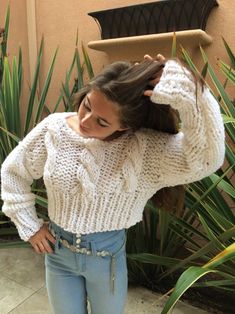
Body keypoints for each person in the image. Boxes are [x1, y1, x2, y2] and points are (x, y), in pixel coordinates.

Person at [1, 54, 225, 314]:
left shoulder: (146, 149)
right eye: (87, 105)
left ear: (125, 126)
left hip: (106, 259)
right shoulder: (54, 129)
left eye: (102, 121)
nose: (85, 120)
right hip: (58, 254)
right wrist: (30, 226)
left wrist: (191, 93)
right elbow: (13, 172)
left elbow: (206, 159)